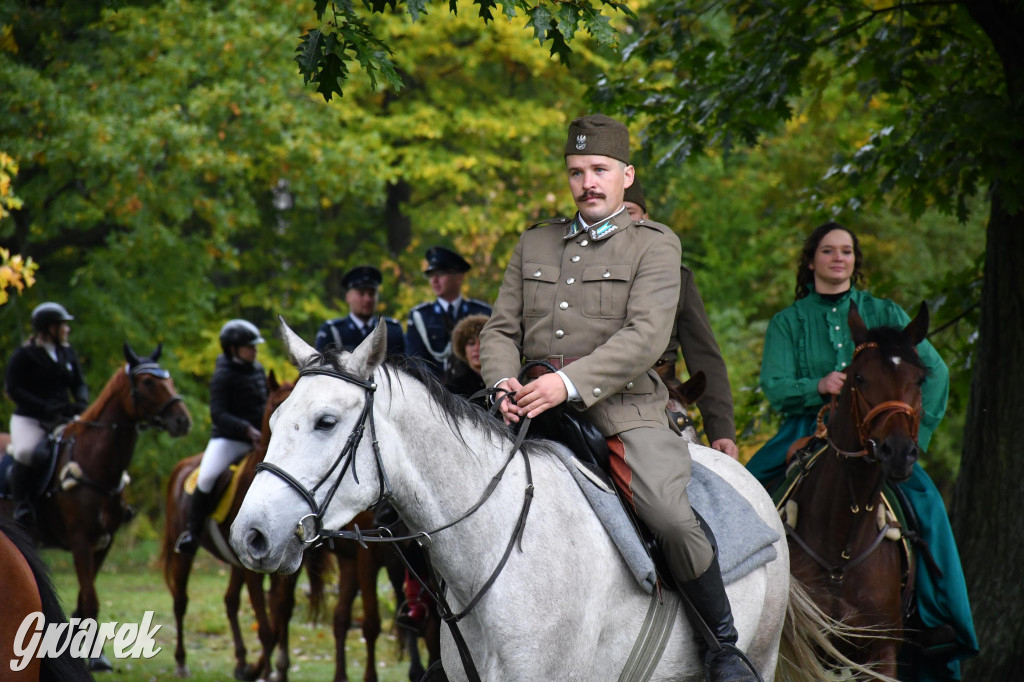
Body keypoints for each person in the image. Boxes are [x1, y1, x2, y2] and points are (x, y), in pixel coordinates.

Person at [480, 114, 757, 681]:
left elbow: (647, 337)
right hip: (527, 402)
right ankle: (450, 640)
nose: (589, 182)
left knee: (670, 516)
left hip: (623, 410)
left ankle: (723, 647)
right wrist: (502, 383)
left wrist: (568, 383)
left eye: (600, 170)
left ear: (626, 176)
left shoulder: (655, 246)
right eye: (577, 171)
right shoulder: (534, 241)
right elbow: (500, 330)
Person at [746, 222, 978, 680]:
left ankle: (940, 619)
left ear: (855, 261)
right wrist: (816, 385)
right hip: (806, 426)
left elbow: (937, 373)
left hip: (882, 436)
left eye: (847, 251)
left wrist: (912, 440)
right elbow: (774, 385)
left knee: (927, 504)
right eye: (828, 251)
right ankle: (738, 618)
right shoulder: (788, 322)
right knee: (746, 492)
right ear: (811, 261)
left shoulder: (884, 311)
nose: (839, 258)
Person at [623, 179, 739, 458]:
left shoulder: (677, 277)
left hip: (661, 400)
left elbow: (705, 357)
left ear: (646, 219)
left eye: (630, 213)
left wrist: (721, 430)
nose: (623, 224)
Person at [175, 319, 268, 554]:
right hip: (229, 440)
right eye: (250, 346)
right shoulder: (222, 376)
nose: (255, 349)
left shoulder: (257, 369)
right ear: (234, 348)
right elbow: (218, 414)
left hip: (259, 439)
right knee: (206, 478)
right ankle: (192, 533)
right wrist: (246, 429)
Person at [5, 302, 89, 527]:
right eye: (63, 325)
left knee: (89, 446)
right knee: (25, 452)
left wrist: (81, 401)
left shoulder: (67, 353)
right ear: (49, 328)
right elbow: (13, 389)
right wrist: (43, 407)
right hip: (30, 419)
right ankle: (22, 504)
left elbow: (79, 383)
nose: (67, 330)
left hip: (62, 418)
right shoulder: (25, 355)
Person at [406, 246, 491, 377]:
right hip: (433, 392)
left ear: (459, 277)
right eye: (431, 275)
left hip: (475, 390)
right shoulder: (421, 316)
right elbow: (414, 363)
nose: (434, 280)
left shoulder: (482, 312)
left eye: (440, 274)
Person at [314, 265, 405, 354]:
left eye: (371, 294)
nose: (367, 299)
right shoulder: (333, 331)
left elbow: (406, 366)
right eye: (361, 294)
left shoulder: (392, 331)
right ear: (348, 297)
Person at [442, 313, 489, 398]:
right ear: (463, 348)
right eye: (471, 343)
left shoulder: (504, 380)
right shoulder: (453, 387)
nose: (477, 349)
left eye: (482, 343)